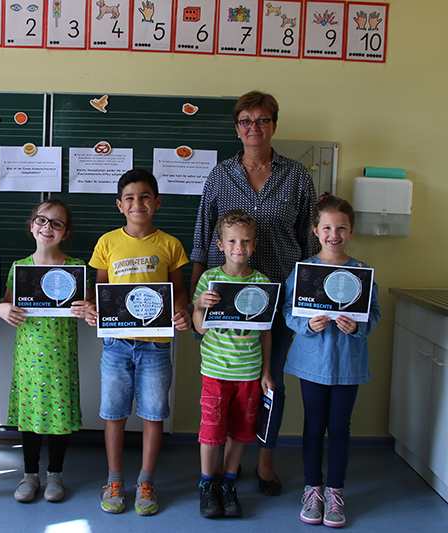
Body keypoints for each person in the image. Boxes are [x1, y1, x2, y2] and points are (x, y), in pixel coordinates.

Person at [190, 90, 317, 496]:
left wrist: (307, 300)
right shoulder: (219, 174)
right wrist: (196, 299)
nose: (254, 128)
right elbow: (201, 239)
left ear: (274, 125)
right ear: (237, 127)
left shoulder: (297, 175)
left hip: (277, 296)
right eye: (245, 120)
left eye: (262, 120)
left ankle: (264, 462)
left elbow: (310, 245)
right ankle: (222, 471)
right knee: (225, 382)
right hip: (223, 300)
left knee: (268, 381)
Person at [82, 169, 191, 516]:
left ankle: (146, 481)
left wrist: (183, 313)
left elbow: (177, 293)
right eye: (129, 198)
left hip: (156, 345)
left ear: (157, 202)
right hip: (116, 344)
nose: (137, 203)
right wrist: (91, 310)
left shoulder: (170, 244)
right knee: (113, 414)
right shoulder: (107, 242)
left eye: (145, 196)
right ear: (119, 205)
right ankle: (114, 480)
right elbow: (100, 292)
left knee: (153, 414)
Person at [283, 195, 380, 528]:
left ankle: (335, 492)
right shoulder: (303, 272)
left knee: (339, 429)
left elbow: (374, 313)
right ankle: (313, 490)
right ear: (315, 230)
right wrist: (306, 325)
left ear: (351, 231)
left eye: (341, 227)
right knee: (313, 427)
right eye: (326, 227)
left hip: (347, 364)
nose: (333, 234)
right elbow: (287, 311)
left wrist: (359, 326)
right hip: (313, 362)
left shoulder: (362, 273)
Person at [0, 199, 92, 503]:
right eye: (42, 220)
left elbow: (92, 308)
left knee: (59, 413)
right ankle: (29, 474)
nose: (47, 227)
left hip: (62, 355)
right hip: (29, 357)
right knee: (31, 414)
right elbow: (7, 303)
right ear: (32, 226)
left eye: (57, 223)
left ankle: (55, 474)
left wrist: (88, 308)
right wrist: (2, 309)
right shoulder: (20, 268)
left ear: (66, 233)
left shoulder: (77, 268)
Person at [192, 209, 273, 519]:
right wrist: (200, 304)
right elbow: (199, 327)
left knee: (241, 431)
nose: (240, 247)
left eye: (246, 241)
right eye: (233, 241)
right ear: (220, 245)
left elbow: (265, 333)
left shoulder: (262, 282)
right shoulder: (210, 279)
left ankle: (228, 483)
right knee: (211, 432)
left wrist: (266, 372)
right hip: (215, 373)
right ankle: (206, 484)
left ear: (254, 245)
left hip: (250, 374)